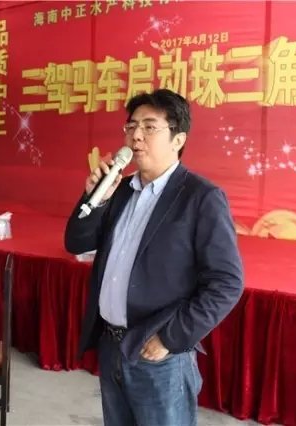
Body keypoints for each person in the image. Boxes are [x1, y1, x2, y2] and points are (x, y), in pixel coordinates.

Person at [65, 89, 244, 426]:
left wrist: (170, 339)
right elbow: (76, 243)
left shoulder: (201, 197)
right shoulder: (119, 191)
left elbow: (227, 282)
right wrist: (94, 199)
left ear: (178, 140)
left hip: (159, 355)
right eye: (131, 126)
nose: (136, 136)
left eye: (149, 127)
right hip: (111, 346)